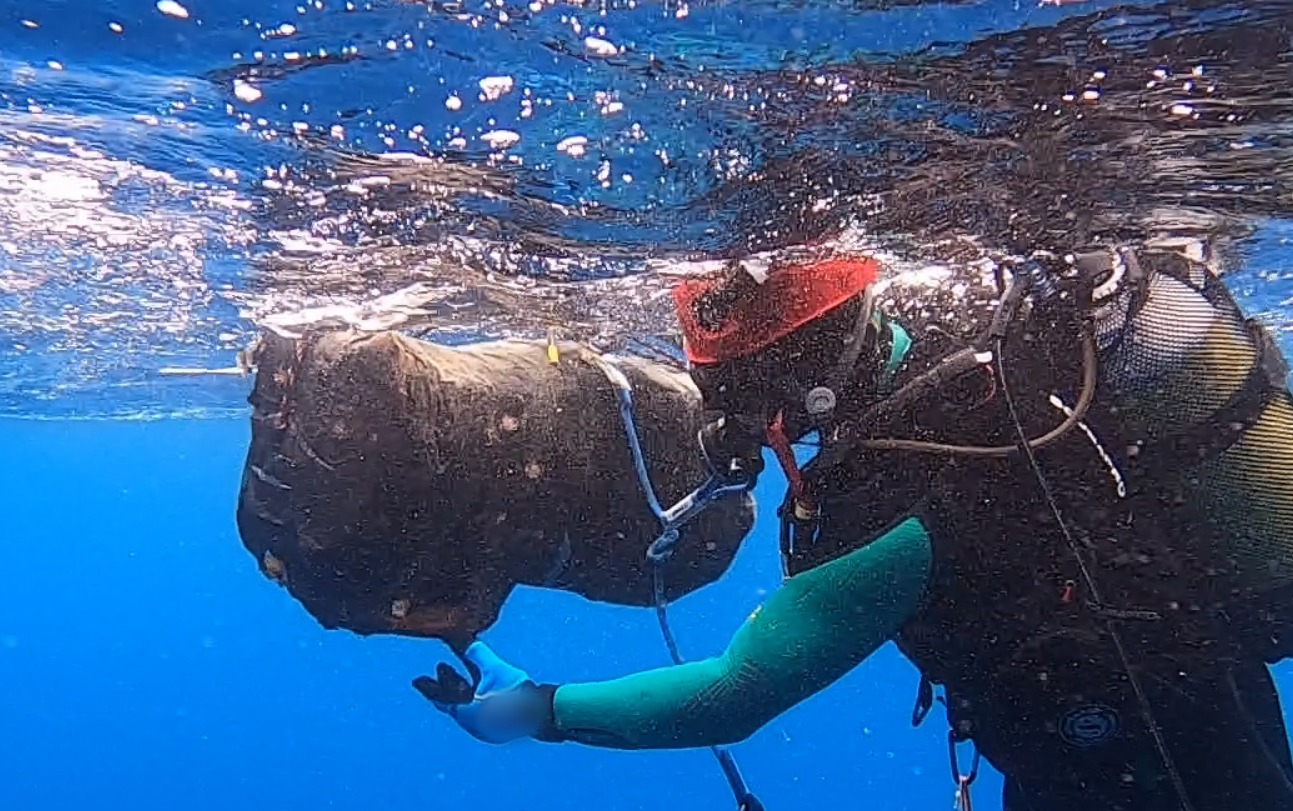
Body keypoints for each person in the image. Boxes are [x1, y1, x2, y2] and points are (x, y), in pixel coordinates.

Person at [413, 246, 1293, 811]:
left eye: (740, 394)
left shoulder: (908, 489)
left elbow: (732, 693)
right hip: (1161, 719)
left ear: (800, 374)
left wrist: (540, 709)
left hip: (1147, 770)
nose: (734, 423)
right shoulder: (963, 369)